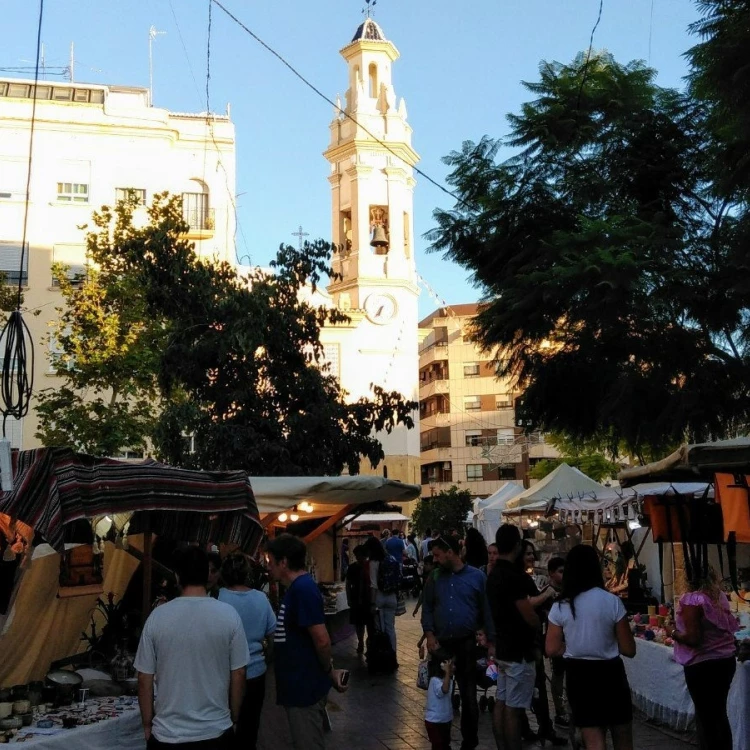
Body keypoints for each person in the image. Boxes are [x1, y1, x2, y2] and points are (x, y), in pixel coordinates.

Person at [135, 547, 249, 749]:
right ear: (207, 574)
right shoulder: (229, 615)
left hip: (168, 733)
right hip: (217, 729)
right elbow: (239, 673)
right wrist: (234, 716)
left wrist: (146, 723)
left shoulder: (158, 617)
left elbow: (144, 678)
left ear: (177, 577)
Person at [546, 544, 636, 750]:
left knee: (593, 740)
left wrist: (572, 646)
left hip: (579, 675)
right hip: (611, 673)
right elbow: (629, 649)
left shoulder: (561, 606)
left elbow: (551, 649)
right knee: (622, 736)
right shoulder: (612, 602)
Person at [267, 534, 348, 750]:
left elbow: (321, 640)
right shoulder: (298, 589)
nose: (269, 567)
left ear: (283, 562)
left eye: (271, 561)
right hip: (297, 688)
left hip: (304, 689)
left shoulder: (302, 589)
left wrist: (328, 670)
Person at [422, 535, 495, 750]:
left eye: (437, 555)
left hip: (466, 644)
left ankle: (469, 742)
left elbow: (486, 609)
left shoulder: (476, 577)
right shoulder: (434, 578)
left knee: (469, 694)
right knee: (438, 694)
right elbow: (427, 606)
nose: (434, 560)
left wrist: (489, 639)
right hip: (442, 644)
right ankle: (441, 743)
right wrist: (429, 633)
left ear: (450, 552)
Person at [670, 567, 738, 750]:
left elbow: (693, 638)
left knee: (706, 717)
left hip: (702, 665)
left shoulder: (693, 600)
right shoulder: (718, 597)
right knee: (719, 714)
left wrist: (674, 633)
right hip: (724, 660)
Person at [487, 524, 539, 750]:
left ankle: (502, 746)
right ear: (517, 546)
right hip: (518, 649)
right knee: (514, 708)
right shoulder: (512, 576)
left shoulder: (493, 573)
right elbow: (527, 614)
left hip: (502, 646)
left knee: (502, 701)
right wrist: (538, 625)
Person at [217, 552, 276, 750]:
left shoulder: (219, 598)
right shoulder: (261, 599)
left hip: (224, 674)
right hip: (256, 672)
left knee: (225, 728)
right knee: (250, 728)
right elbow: (272, 634)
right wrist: (266, 658)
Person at [516, 540, 565, 746]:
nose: (531, 557)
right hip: (522, 641)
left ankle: (544, 727)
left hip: (533, 640)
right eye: (527, 554)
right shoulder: (518, 580)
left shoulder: (526, 578)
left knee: (538, 685)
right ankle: (528, 727)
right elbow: (527, 604)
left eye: (532, 554)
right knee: (527, 685)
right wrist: (546, 594)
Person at [364, 535, 399, 654]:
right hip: (392, 597)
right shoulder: (391, 558)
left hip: (379, 597)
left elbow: (373, 585)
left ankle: (382, 655)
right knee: (390, 628)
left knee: (379, 629)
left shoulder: (374, 562)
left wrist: (372, 604)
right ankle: (393, 654)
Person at [546, 556, 568, 727]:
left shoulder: (569, 592)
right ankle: (560, 710)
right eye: (561, 571)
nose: (564, 575)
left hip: (570, 640)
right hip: (557, 642)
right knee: (558, 675)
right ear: (551, 573)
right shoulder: (547, 594)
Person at [424, 649, 455, 750]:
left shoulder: (447, 679)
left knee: (445, 744)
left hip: (445, 720)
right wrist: (447, 673)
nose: (454, 667)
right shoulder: (435, 681)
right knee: (438, 746)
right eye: (451, 665)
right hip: (434, 721)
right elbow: (444, 690)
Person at [345, 545, 369, 654]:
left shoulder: (368, 567)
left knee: (366, 622)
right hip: (356, 598)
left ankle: (366, 642)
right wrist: (349, 598)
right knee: (358, 623)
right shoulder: (352, 567)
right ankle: (360, 641)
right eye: (356, 556)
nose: (358, 558)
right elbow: (348, 583)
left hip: (366, 598)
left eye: (359, 555)